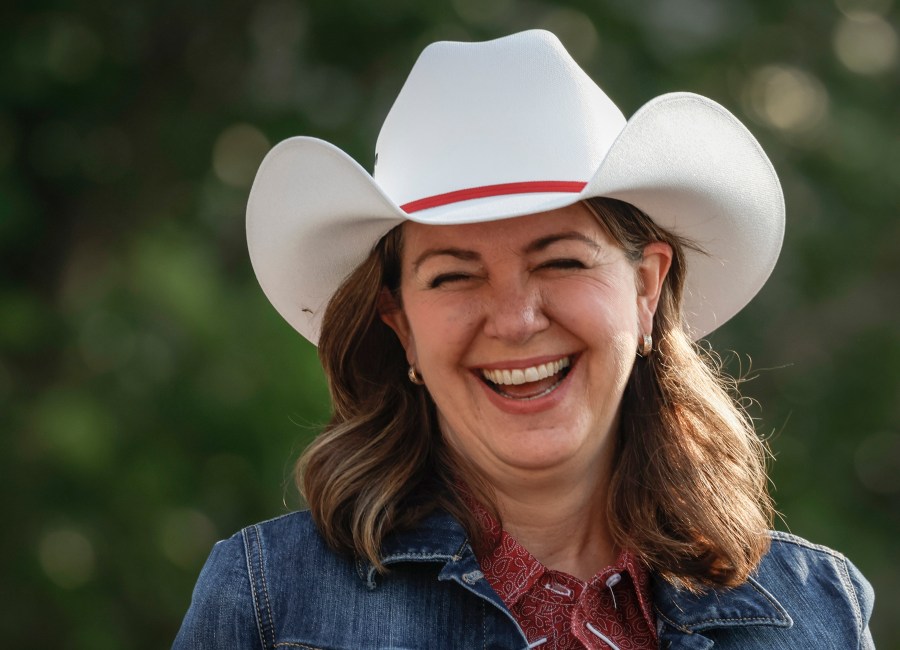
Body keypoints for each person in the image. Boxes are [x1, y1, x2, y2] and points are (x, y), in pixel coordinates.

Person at [174, 30, 874, 649]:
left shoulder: (815, 614)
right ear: (403, 329)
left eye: (561, 261)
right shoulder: (270, 604)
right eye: (453, 277)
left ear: (645, 288)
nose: (513, 321)